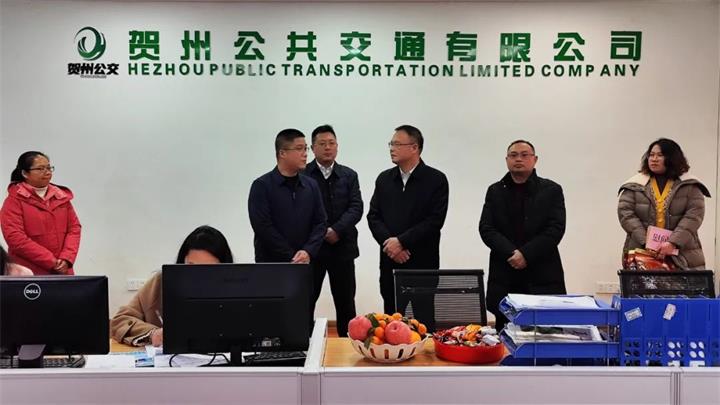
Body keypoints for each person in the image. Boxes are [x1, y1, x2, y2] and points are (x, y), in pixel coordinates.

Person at [367, 125, 449, 329]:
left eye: (397, 144)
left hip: (422, 264)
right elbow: (374, 216)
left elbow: (434, 221)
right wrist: (391, 246)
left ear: (414, 148)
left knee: (423, 324)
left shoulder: (436, 179)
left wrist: (401, 242)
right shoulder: (384, 179)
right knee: (391, 325)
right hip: (390, 264)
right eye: (391, 144)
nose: (391, 148)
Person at [479, 140, 566, 331]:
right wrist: (511, 253)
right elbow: (486, 228)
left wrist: (526, 254)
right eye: (513, 155)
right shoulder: (495, 191)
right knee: (505, 331)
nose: (518, 159)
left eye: (524, 155)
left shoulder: (551, 190)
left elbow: (555, 229)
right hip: (505, 270)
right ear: (506, 160)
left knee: (546, 332)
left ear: (535, 160)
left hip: (542, 271)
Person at [111, 225, 234, 347]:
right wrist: (152, 334)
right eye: (191, 267)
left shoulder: (237, 286)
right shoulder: (160, 283)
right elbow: (120, 320)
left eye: (208, 269)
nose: (198, 276)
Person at [304, 124, 363, 337]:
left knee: (346, 301)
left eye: (331, 143)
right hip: (313, 250)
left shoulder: (349, 175)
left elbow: (356, 207)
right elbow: (302, 211)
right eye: (322, 144)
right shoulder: (303, 174)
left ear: (337, 146)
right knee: (306, 300)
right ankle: (304, 345)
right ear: (312, 148)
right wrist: (322, 233)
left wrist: (337, 229)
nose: (327, 148)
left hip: (342, 247)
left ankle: (348, 346)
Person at [618, 138, 710, 269]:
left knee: (681, 282)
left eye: (660, 155)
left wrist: (673, 243)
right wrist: (646, 241)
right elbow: (626, 214)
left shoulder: (690, 185)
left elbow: (694, 216)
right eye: (651, 155)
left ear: (673, 158)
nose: (654, 159)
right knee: (643, 283)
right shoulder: (635, 184)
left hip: (682, 253)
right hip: (642, 252)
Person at [248, 128, 326, 264]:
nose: (305, 154)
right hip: (272, 264)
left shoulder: (311, 185)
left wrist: (308, 251)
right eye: (299, 149)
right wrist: (291, 256)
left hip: (305, 262)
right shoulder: (262, 186)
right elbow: (262, 227)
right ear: (282, 153)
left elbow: (321, 222)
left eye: (306, 149)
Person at [1, 151, 81, 275]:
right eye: (40, 168)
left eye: (49, 168)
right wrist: (51, 261)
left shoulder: (61, 197)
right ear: (25, 173)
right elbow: (16, 239)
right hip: (29, 272)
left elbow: (74, 228)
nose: (47, 172)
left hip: (63, 270)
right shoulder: (13, 201)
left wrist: (67, 258)